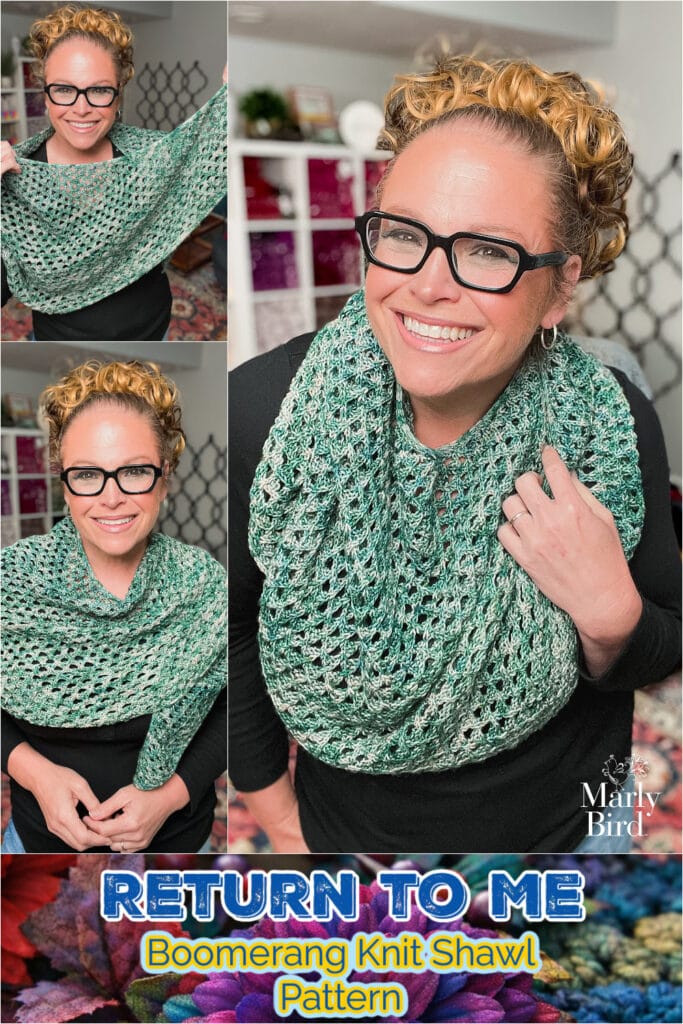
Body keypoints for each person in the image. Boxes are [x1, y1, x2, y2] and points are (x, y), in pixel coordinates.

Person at [229, 55, 681, 854]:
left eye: (485, 252)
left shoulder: (610, 423)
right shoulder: (265, 413)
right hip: (349, 841)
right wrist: (279, 821)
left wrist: (610, 615)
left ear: (561, 284)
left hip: (577, 831)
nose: (427, 286)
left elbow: (662, 644)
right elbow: (229, 637)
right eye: (403, 235)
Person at [2, 360, 227, 853]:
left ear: (164, 477)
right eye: (87, 474)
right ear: (64, 481)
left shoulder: (203, 586)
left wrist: (169, 797)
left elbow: (233, 709)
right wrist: (34, 773)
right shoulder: (10, 582)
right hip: (37, 848)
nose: (111, 498)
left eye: (133, 472)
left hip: (179, 850)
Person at [0, 4, 227, 341]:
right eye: (63, 89)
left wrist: (230, 104)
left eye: (99, 90)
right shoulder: (13, 176)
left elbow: (211, 153)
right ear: (44, 94)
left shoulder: (152, 157)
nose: (81, 108)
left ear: (118, 93)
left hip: (155, 333)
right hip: (59, 340)